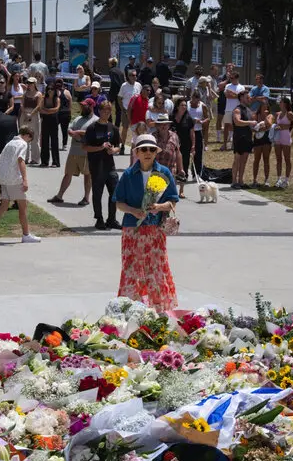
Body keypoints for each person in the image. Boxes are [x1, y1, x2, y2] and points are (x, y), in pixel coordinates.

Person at [113, 133, 179, 312]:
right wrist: (133, 210)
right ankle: (130, 308)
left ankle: (159, 309)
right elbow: (119, 203)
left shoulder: (163, 172)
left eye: (151, 149)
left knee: (156, 268)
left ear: (156, 152)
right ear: (137, 152)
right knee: (131, 268)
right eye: (143, 149)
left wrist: (159, 206)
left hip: (154, 228)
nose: (147, 152)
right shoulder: (127, 174)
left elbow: (172, 202)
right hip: (132, 228)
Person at [0, 126, 41, 244]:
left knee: (3, 206)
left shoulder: (9, 143)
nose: (28, 142)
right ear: (27, 136)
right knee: (22, 207)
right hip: (15, 180)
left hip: (4, 179)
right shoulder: (23, 144)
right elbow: (21, 160)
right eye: (30, 139)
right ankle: (26, 235)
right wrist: (24, 179)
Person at [49, 97, 95, 207]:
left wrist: (79, 132)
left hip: (86, 153)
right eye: (82, 105)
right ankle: (59, 196)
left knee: (87, 175)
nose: (82, 107)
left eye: (85, 106)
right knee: (67, 174)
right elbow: (70, 127)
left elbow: (92, 133)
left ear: (91, 107)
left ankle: (86, 198)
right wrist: (71, 131)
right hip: (73, 151)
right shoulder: (78, 118)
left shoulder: (95, 120)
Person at [84, 100, 122, 230]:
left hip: (110, 166)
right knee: (98, 193)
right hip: (96, 166)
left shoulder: (114, 128)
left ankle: (111, 219)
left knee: (115, 192)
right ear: (99, 111)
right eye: (104, 110)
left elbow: (118, 146)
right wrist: (100, 147)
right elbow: (86, 147)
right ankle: (99, 218)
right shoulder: (92, 128)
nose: (106, 112)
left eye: (108, 110)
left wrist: (113, 150)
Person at [273, 96, 293, 189]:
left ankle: (286, 180)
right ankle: (279, 178)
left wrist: (291, 134)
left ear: (285, 103)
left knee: (287, 159)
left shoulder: (289, 114)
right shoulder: (277, 114)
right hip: (277, 137)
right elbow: (275, 124)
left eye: (281, 102)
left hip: (285, 136)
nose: (279, 103)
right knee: (278, 159)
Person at [231, 94, 256, 189]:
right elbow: (237, 122)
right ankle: (234, 181)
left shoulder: (249, 110)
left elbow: (251, 124)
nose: (249, 99)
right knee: (237, 160)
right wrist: (250, 122)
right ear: (241, 98)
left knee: (244, 160)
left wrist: (257, 126)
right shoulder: (237, 110)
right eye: (247, 97)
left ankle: (241, 181)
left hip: (248, 137)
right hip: (239, 137)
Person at [184, 91, 208, 177]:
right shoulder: (186, 105)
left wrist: (200, 121)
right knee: (186, 152)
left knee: (198, 154)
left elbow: (207, 118)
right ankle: (185, 173)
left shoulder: (203, 106)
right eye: (193, 99)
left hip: (198, 131)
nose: (195, 102)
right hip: (187, 131)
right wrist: (190, 121)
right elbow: (182, 116)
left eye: (197, 100)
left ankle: (197, 173)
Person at [250, 101, 273, 188]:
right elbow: (252, 128)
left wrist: (266, 116)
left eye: (266, 107)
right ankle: (254, 180)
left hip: (266, 140)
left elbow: (269, 125)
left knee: (266, 159)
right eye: (263, 107)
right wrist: (261, 129)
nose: (265, 108)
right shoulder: (255, 115)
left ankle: (266, 180)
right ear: (260, 107)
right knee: (256, 160)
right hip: (257, 140)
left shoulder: (270, 116)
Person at [20, 76, 42, 165]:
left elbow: (39, 106)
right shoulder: (25, 93)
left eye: (31, 83)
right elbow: (22, 104)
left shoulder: (38, 94)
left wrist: (30, 115)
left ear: (35, 84)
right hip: (24, 114)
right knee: (24, 136)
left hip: (34, 115)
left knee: (34, 137)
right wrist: (25, 114)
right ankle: (24, 157)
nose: (29, 84)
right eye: (28, 83)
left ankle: (35, 158)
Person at [221, 71, 245, 152]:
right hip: (228, 109)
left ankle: (234, 144)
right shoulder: (228, 85)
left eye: (232, 78)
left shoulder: (242, 87)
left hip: (237, 110)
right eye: (230, 78)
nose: (231, 80)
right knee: (226, 127)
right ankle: (224, 144)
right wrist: (237, 95)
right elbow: (227, 95)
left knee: (236, 128)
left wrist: (233, 94)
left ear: (237, 78)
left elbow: (241, 98)